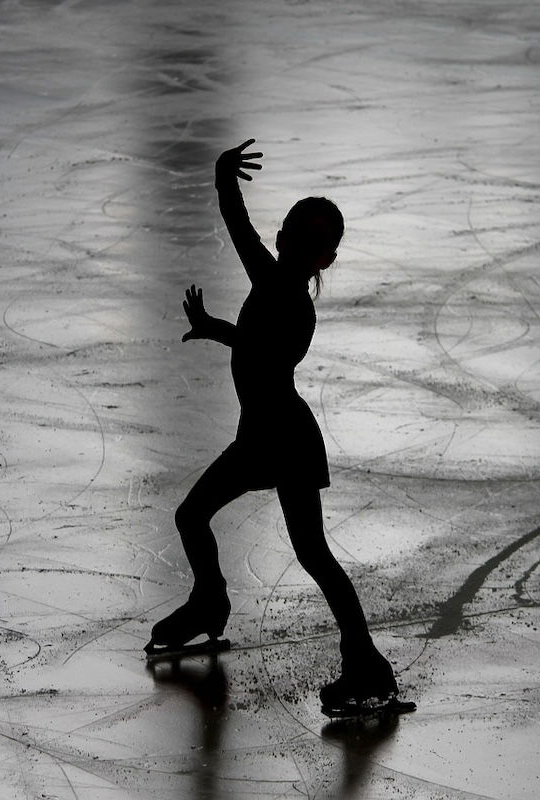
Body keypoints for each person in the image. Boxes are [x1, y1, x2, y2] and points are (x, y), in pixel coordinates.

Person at [146, 139, 401, 712]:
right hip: (265, 433)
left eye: (312, 241)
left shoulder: (279, 285)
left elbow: (238, 229)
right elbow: (261, 348)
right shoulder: (280, 290)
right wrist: (219, 330)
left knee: (310, 554)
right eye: (293, 228)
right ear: (285, 234)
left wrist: (223, 180)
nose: (291, 241)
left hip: (281, 439)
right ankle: (210, 602)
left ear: (323, 259)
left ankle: (366, 664)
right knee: (195, 516)